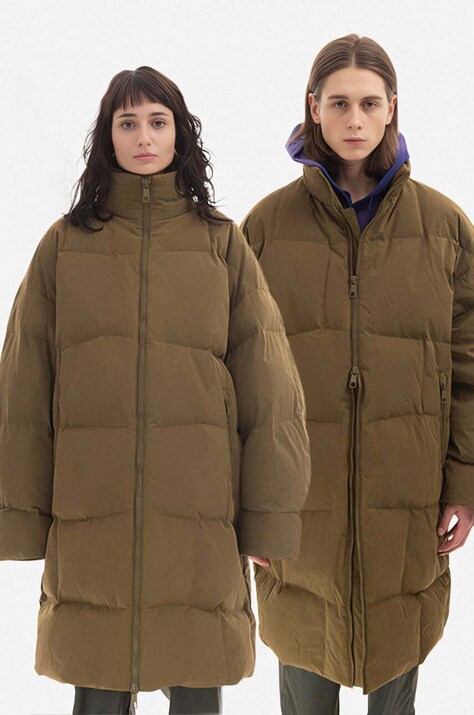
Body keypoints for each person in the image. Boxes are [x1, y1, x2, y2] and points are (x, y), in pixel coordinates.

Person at [0, 66, 312, 715]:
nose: (143, 136)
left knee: (198, 682)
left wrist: (268, 517)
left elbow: (272, 395)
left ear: (179, 134)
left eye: (157, 121)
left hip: (201, 518)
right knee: (97, 684)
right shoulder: (64, 246)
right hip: (92, 515)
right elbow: (22, 393)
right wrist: (20, 516)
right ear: (108, 136)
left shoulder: (221, 244)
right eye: (128, 122)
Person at [240, 33, 474, 715]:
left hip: (407, 504)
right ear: (313, 107)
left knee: (396, 675)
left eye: (369, 103)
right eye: (338, 103)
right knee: (304, 669)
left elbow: (468, 366)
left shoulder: (444, 228)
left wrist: (464, 483)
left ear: (392, 107)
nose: (354, 119)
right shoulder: (265, 228)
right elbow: (234, 379)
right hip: (298, 512)